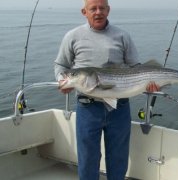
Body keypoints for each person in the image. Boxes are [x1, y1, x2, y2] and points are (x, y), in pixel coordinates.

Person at [54, 0, 159, 179]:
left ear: (108, 10)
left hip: (119, 107)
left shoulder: (122, 36)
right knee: (87, 159)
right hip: (87, 107)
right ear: (84, 12)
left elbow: (137, 67)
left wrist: (149, 83)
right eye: (93, 8)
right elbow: (61, 65)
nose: (98, 12)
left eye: (102, 8)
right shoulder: (72, 36)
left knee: (118, 158)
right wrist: (62, 81)